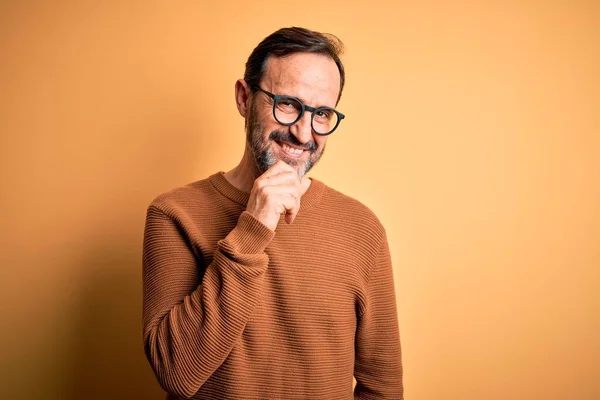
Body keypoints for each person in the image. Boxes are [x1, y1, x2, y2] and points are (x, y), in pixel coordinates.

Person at [142, 26, 403, 399]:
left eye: (322, 113)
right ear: (245, 98)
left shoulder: (363, 228)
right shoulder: (174, 214)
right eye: (288, 105)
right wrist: (253, 228)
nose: (303, 132)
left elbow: (383, 388)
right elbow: (177, 374)